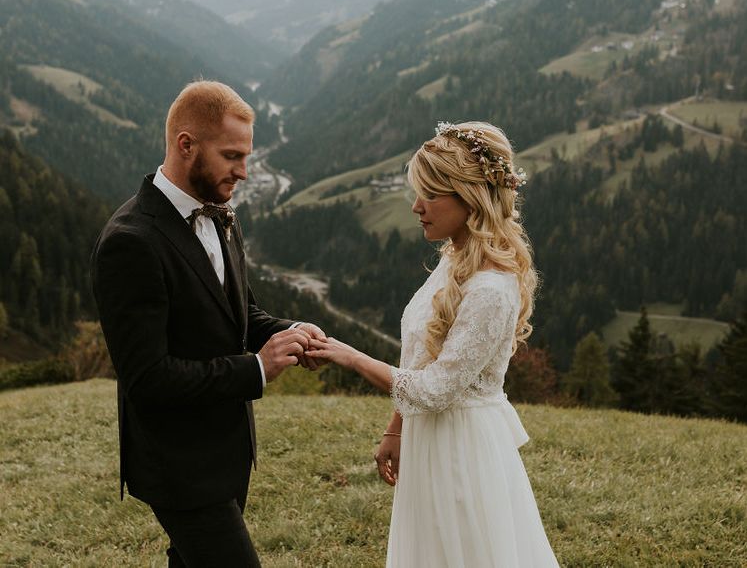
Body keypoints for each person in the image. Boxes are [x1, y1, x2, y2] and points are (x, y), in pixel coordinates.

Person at [91, 80, 326, 567]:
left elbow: (240, 312)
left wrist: (293, 330)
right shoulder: (130, 242)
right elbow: (147, 379)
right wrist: (257, 370)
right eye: (232, 156)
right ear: (186, 145)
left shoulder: (219, 213)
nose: (243, 172)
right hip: (178, 467)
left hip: (226, 456)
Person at [306, 121, 559, 567]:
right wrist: (395, 428)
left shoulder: (490, 289)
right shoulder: (455, 259)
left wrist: (348, 356)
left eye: (430, 195)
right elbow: (421, 359)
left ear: (470, 198)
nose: (416, 207)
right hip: (429, 439)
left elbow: (437, 390)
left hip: (461, 450)